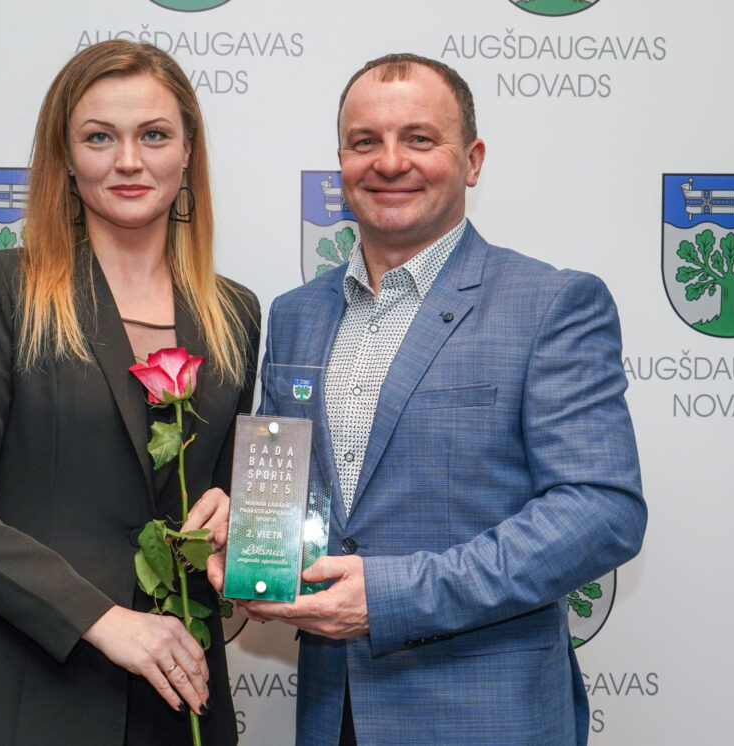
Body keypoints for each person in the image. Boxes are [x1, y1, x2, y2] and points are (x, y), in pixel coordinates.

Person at [234, 53, 646, 745]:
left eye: (419, 138)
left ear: (472, 160)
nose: (390, 162)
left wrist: (390, 597)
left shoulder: (551, 304)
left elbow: (602, 511)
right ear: (342, 163)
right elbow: (290, 499)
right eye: (365, 142)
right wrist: (248, 538)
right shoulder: (296, 314)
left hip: (486, 719)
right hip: (333, 715)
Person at [0, 41, 258, 746]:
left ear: (187, 151)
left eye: (153, 135)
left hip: (177, 698)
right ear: (66, 157)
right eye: (99, 137)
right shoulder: (6, 289)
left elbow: (224, 514)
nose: (128, 160)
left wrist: (240, 524)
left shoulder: (235, 314)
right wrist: (103, 619)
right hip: (21, 691)